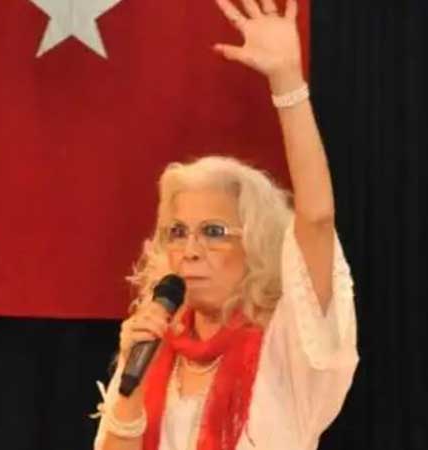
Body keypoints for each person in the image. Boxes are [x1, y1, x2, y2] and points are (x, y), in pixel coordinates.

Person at [92, 0, 359, 449]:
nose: (190, 250)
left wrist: (287, 83)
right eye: (177, 232)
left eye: (213, 232)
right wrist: (130, 391)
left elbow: (316, 219)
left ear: (256, 245)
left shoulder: (288, 346)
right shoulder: (151, 348)